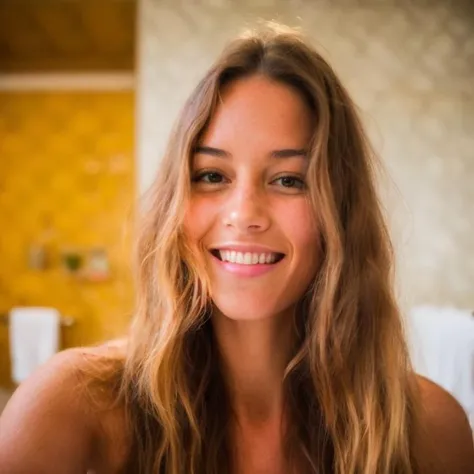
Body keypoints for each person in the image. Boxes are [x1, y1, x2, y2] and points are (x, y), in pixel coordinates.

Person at [0, 23, 473, 474]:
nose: (244, 213)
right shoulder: (71, 404)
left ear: (342, 213)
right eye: (212, 176)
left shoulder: (432, 430)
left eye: (289, 180)